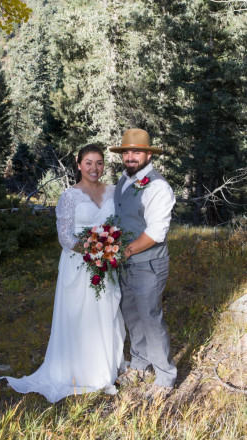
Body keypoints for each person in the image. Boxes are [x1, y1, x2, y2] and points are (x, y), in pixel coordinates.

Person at [0, 144, 125, 403]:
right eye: (88, 162)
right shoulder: (69, 196)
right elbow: (65, 237)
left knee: (106, 310)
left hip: (106, 264)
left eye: (99, 163)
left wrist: (109, 251)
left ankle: (104, 366)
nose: (94, 168)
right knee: (78, 315)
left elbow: (119, 225)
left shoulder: (113, 192)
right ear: (78, 165)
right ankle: (76, 370)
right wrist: (93, 252)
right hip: (78, 265)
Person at [110, 128, 177, 398]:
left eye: (136, 152)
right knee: (131, 314)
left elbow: (156, 232)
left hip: (148, 263)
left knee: (150, 317)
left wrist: (124, 252)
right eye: (126, 152)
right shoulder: (124, 180)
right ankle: (139, 364)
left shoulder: (158, 186)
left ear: (148, 154)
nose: (130, 156)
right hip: (125, 262)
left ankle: (165, 377)